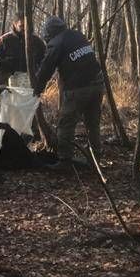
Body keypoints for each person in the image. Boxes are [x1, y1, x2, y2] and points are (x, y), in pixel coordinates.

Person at [32, 16, 104, 166]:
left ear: (49, 33)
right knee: (92, 123)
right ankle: (95, 158)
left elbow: (46, 69)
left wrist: (36, 89)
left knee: (65, 123)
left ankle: (64, 160)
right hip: (98, 84)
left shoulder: (56, 43)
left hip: (78, 88)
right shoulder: (77, 35)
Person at [0, 18, 46, 85]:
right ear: (15, 24)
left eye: (27, 25)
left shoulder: (37, 42)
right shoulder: (4, 40)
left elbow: (45, 61)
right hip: (8, 81)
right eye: (22, 26)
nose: (25, 28)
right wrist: (6, 64)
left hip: (31, 81)